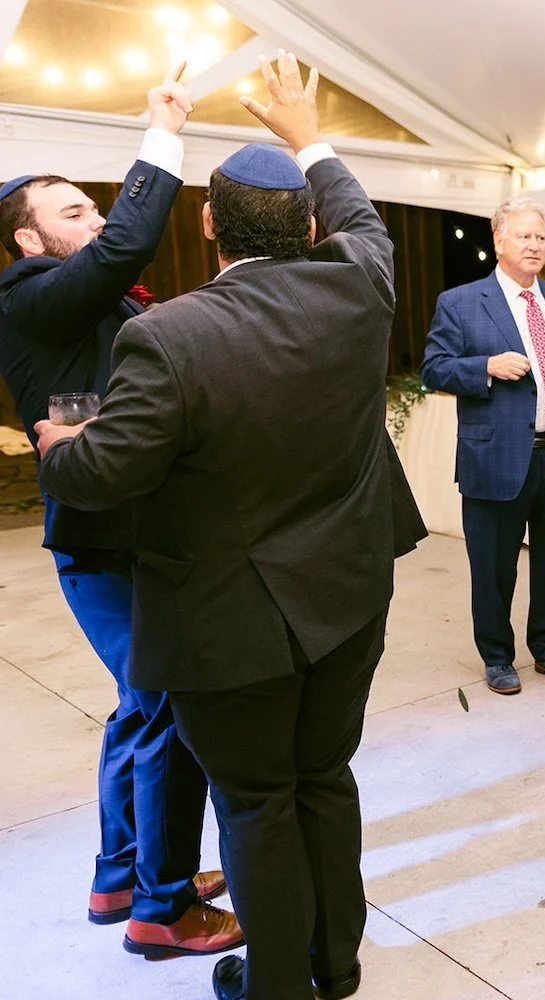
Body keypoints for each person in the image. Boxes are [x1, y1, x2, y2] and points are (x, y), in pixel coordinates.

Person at [34, 52, 426, 1000]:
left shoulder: (169, 335)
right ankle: (336, 968)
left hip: (230, 624)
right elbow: (365, 218)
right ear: (308, 225)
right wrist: (308, 133)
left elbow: (104, 473)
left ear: (205, 225)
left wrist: (56, 440)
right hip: (347, 600)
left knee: (256, 805)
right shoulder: (363, 285)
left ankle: (278, 987)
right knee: (326, 779)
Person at [0, 63, 238, 959]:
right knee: (164, 707)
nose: (95, 220)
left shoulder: (91, 304)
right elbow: (122, 251)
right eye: (72, 212)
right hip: (102, 539)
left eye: (91, 206)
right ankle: (163, 907)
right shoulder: (25, 297)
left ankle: (120, 877)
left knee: (139, 707)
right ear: (28, 244)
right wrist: (163, 131)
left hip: (130, 532)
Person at [421, 196, 545, 696]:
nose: (534, 245)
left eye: (540, 237)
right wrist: (484, 367)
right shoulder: (460, 303)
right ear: (498, 241)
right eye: (523, 236)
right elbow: (433, 367)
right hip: (494, 455)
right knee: (494, 564)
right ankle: (497, 657)